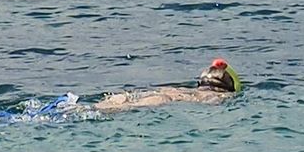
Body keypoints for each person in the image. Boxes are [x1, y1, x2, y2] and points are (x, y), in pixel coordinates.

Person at [85, 59, 243, 114]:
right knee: (131, 107)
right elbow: (212, 104)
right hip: (164, 99)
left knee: (123, 100)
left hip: (165, 93)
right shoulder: (219, 96)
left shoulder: (187, 89)